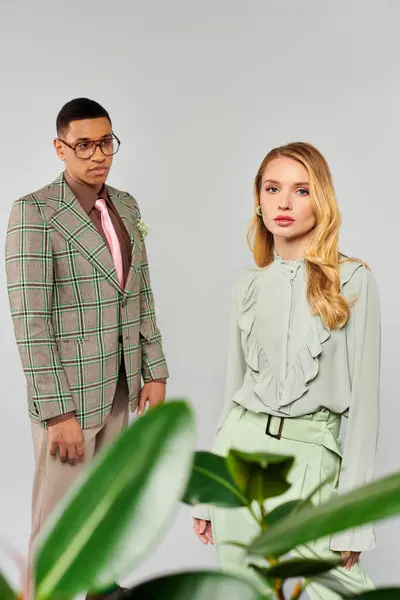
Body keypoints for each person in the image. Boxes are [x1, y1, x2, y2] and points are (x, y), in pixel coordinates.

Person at [193, 142, 380, 598]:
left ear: (322, 200)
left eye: (300, 190)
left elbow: (366, 411)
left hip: (314, 459)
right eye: (272, 188)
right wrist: (209, 489)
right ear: (257, 199)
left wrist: (353, 520)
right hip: (241, 457)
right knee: (242, 590)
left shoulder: (353, 280)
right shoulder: (247, 287)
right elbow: (231, 396)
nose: (283, 202)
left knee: (337, 590)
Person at [5, 98, 169, 599]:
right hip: (70, 400)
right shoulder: (35, 213)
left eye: (106, 142)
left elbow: (138, 293)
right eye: (84, 145)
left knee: (108, 514)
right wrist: (58, 415)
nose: (98, 155)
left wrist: (155, 370)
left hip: (121, 386)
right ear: (60, 147)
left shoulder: (126, 205)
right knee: (55, 525)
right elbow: (30, 322)